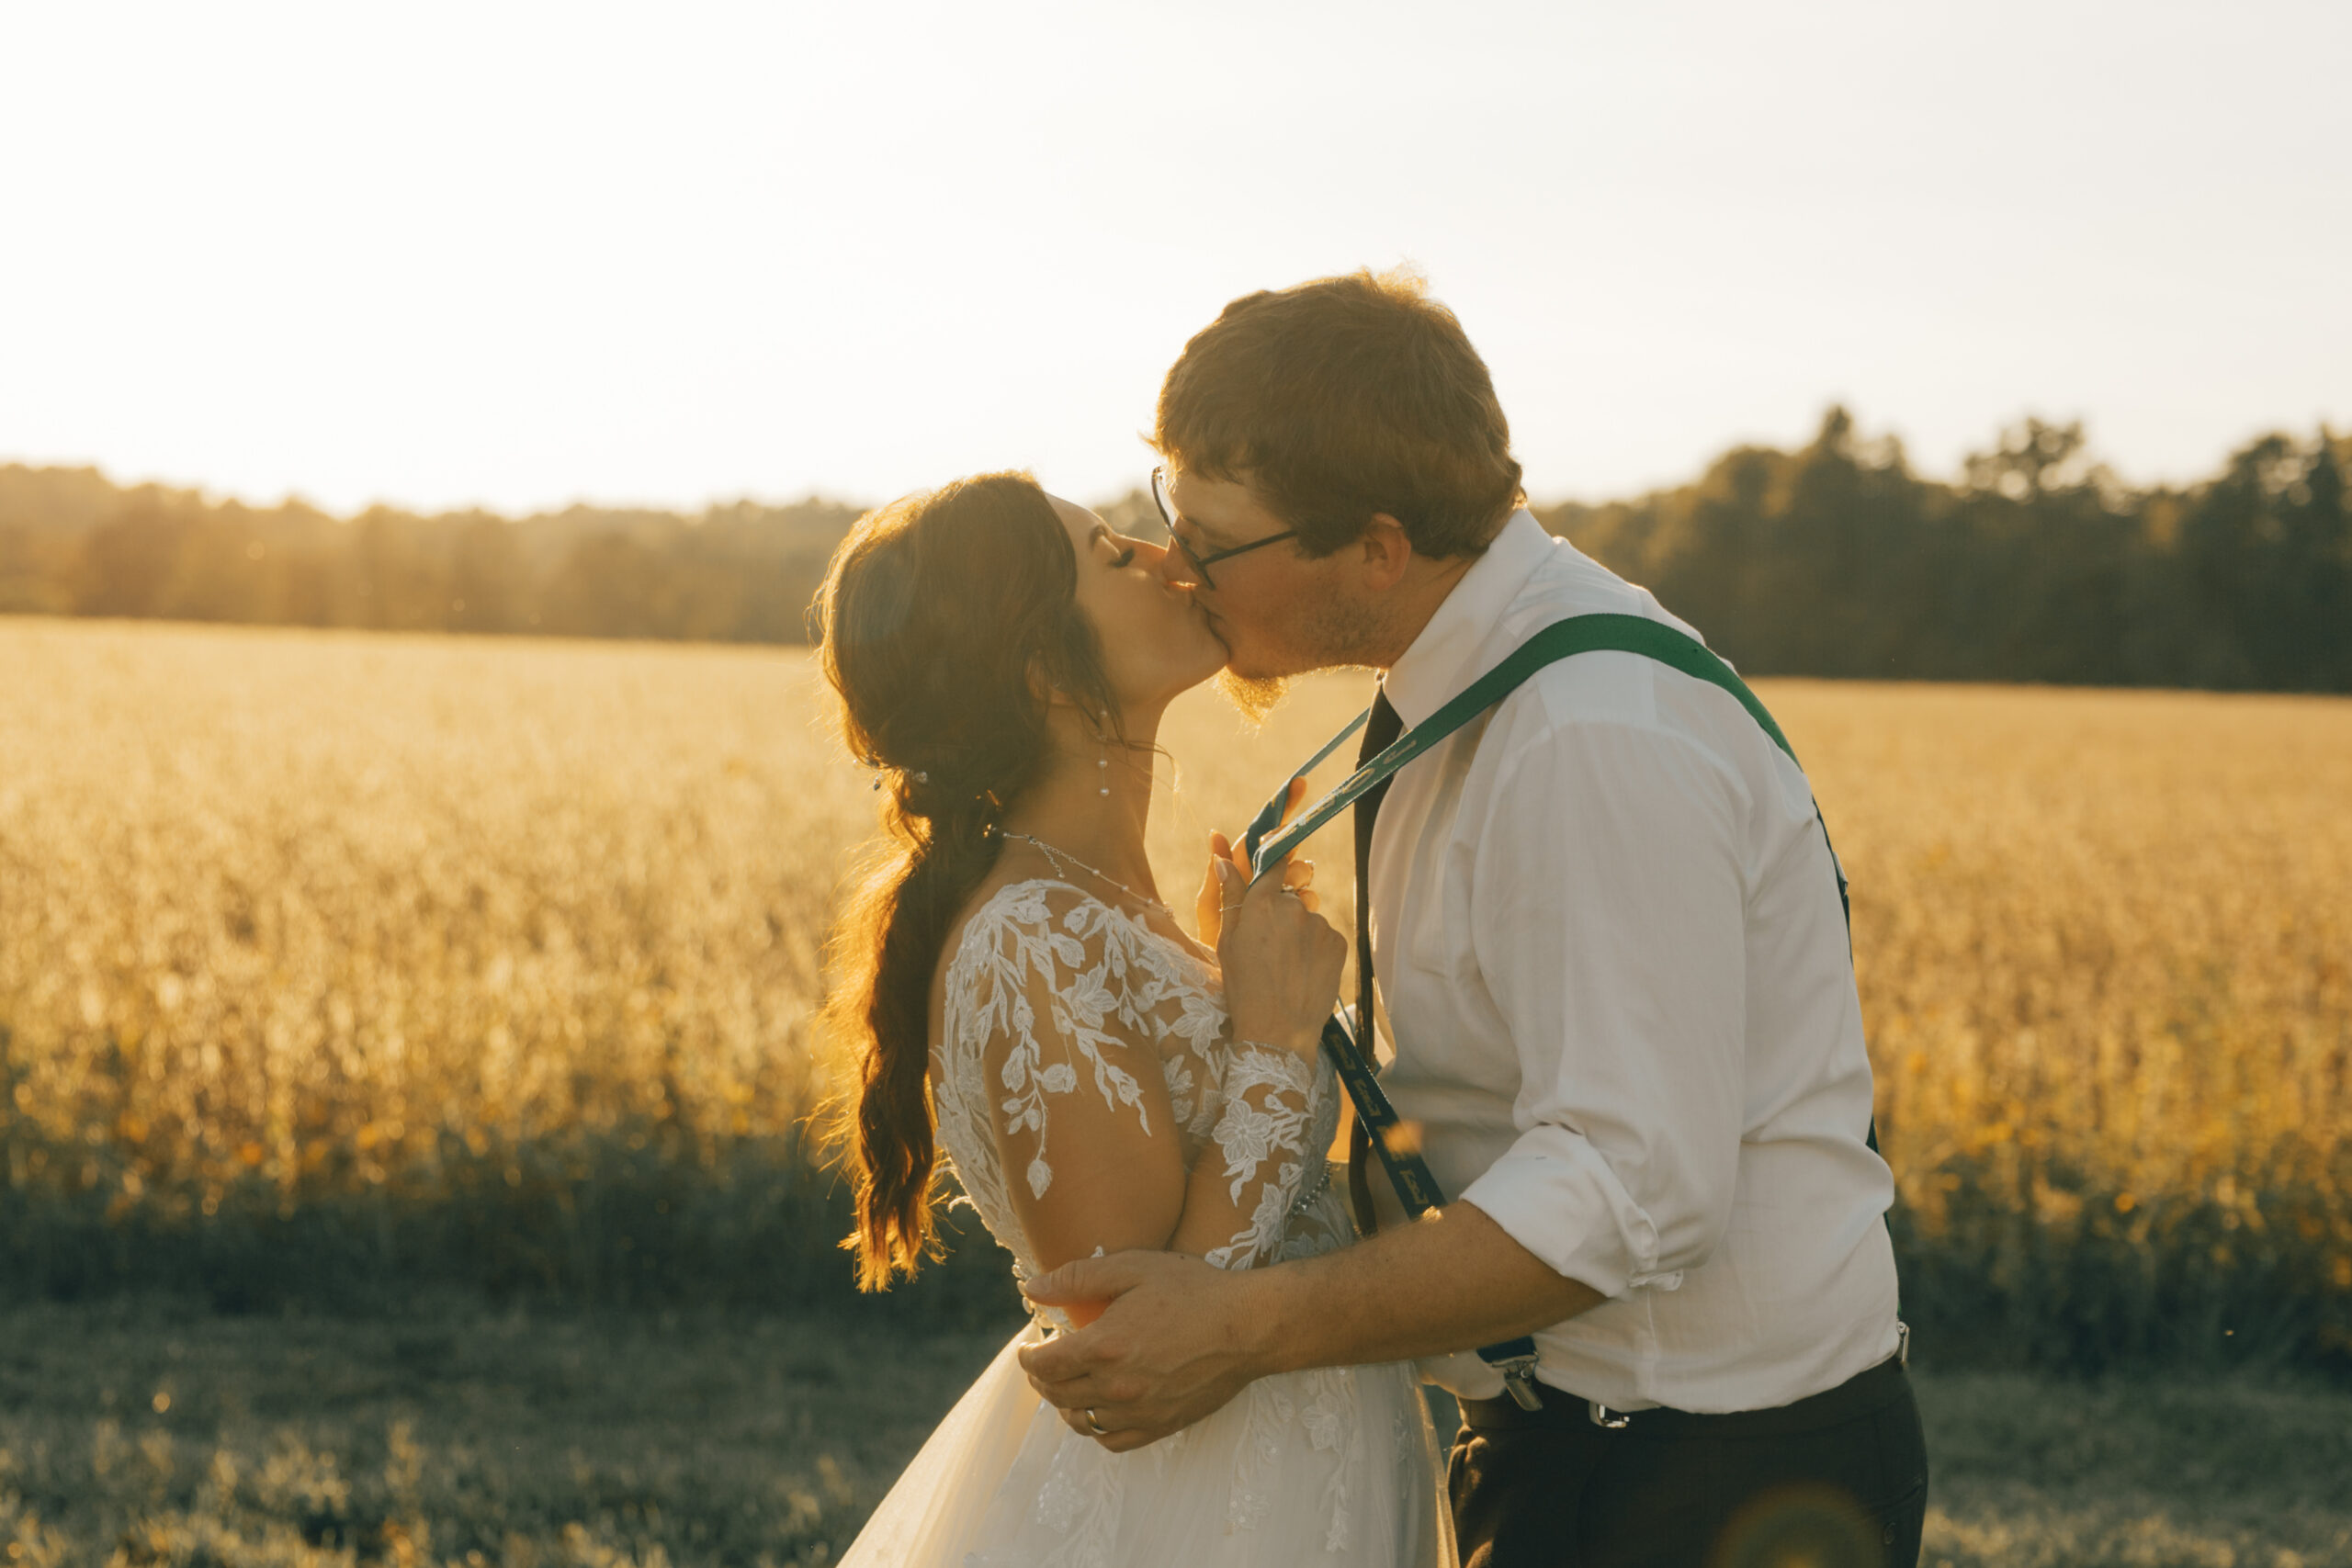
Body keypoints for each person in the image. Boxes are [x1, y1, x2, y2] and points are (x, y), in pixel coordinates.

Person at [1015, 270, 1931, 1568]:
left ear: (1378, 547)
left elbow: (1631, 1188)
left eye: (1214, 538)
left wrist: (1244, 1322)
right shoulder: (1473, 669)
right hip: (1586, 1439)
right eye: (1169, 513)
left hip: (1710, 1478)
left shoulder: (1585, 731)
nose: (1176, 563)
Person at [817, 471, 1456, 1566]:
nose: (1170, 559)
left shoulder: (1106, 906)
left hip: (1308, 1460)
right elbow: (1137, 1334)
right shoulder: (1025, 940)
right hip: (1199, 1507)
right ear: (1037, 668)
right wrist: (1272, 1037)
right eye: (1114, 553)